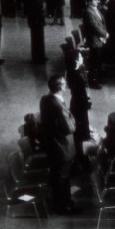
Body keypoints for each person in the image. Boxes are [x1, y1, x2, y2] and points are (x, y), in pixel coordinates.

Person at [38, 73, 81, 214]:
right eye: (63, 83)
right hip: (61, 147)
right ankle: (63, 206)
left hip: (51, 144)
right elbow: (70, 128)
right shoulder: (58, 105)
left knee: (58, 175)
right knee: (62, 176)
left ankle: (61, 201)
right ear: (60, 87)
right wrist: (72, 117)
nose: (65, 85)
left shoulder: (45, 99)